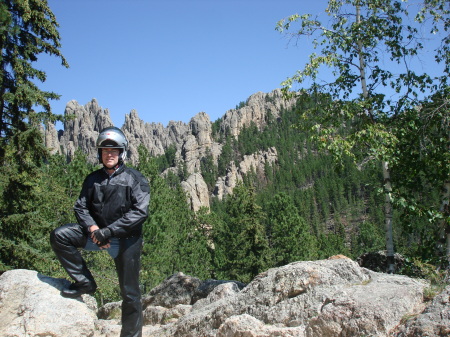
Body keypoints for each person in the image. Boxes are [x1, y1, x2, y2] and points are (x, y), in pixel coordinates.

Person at [50, 126, 150, 337]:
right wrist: (94, 229)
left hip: (126, 240)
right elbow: (80, 207)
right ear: (100, 153)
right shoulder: (92, 179)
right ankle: (85, 282)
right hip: (96, 235)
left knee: (130, 294)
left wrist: (109, 232)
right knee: (60, 236)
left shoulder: (135, 178)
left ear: (122, 152)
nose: (110, 154)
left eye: (114, 150)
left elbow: (140, 212)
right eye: (105, 150)